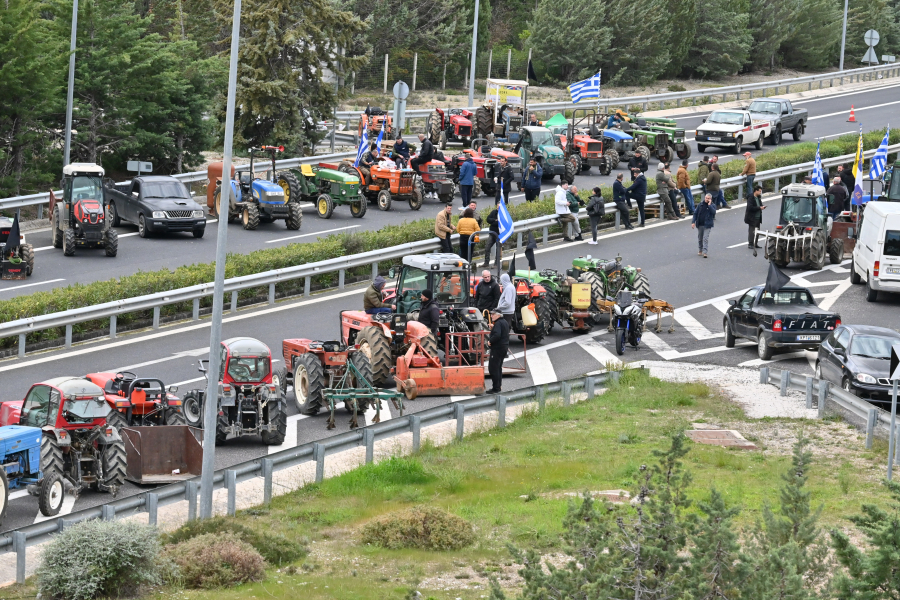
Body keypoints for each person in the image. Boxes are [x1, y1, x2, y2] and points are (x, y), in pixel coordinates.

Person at [487, 310, 510, 393]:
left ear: (498, 315)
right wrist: (493, 328)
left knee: (493, 368)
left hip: (497, 348)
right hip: (504, 348)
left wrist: (490, 341)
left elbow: (497, 335)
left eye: (493, 314)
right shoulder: (504, 322)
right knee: (498, 368)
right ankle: (498, 386)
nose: (491, 316)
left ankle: (496, 388)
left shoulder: (498, 323)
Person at [692, 193, 717, 258]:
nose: (707, 199)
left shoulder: (713, 205)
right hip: (700, 224)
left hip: (707, 224)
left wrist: (709, 205)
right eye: (706, 198)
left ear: (711, 199)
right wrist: (693, 222)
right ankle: (700, 249)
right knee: (700, 238)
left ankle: (705, 252)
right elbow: (695, 213)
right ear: (704, 198)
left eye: (709, 198)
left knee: (705, 238)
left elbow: (714, 212)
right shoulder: (700, 205)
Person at [483, 200, 501, 267]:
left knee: (498, 249)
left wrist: (494, 222)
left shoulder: (503, 214)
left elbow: (500, 223)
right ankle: (486, 262)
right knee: (487, 247)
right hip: (492, 233)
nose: (498, 208)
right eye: (497, 206)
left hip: (499, 234)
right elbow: (488, 219)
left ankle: (496, 263)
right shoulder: (494, 212)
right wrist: (494, 220)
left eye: (499, 207)